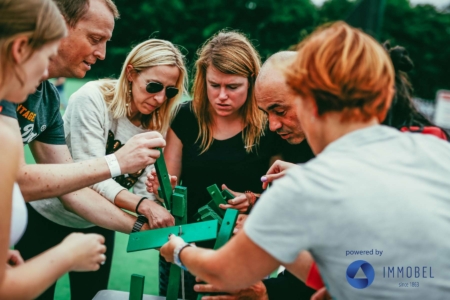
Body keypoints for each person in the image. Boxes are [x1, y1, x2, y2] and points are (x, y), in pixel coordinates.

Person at [160, 21, 450, 299]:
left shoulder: (307, 186)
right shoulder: (435, 151)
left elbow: (225, 272)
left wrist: (178, 250)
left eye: (279, 109)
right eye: (267, 113)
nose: (273, 125)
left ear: (311, 101)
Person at [0, 0, 166, 299]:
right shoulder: (8, 106)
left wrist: (141, 227)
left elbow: (68, 185)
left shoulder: (47, 98)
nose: (102, 54)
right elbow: (15, 179)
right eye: (94, 39)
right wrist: (116, 162)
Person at [34, 38, 188, 295]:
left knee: (93, 295)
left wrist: (156, 193)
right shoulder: (92, 98)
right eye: (153, 86)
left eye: (170, 91)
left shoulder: (157, 121)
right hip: (48, 216)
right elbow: (88, 176)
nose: (160, 98)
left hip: (100, 220)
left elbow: (138, 191)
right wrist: (143, 205)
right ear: (130, 73)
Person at [148, 31, 288, 299]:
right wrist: (161, 188)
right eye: (214, 85)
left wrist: (253, 199)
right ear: (203, 79)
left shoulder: (270, 124)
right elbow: (170, 188)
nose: (222, 96)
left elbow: (281, 196)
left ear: (251, 81)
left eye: (233, 87)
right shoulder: (185, 116)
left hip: (245, 249)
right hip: (185, 245)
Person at [0, 0, 106, 299]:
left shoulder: (42, 102)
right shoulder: (3, 132)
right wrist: (68, 254)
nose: (47, 72)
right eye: (46, 56)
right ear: (20, 48)